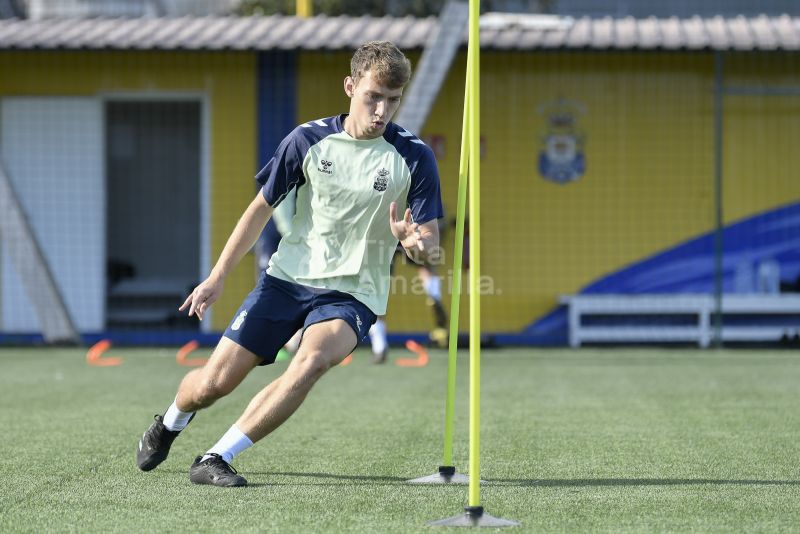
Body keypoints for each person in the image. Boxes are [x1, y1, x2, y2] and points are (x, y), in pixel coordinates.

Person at [135, 41, 443, 487]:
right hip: (286, 280)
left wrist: (414, 244)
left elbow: (429, 247)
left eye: (392, 101)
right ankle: (168, 424)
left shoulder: (414, 157)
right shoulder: (308, 140)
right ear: (350, 86)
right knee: (213, 384)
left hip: (353, 294)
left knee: (312, 359)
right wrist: (217, 277)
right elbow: (259, 210)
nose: (381, 110)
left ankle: (216, 457)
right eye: (372, 97)